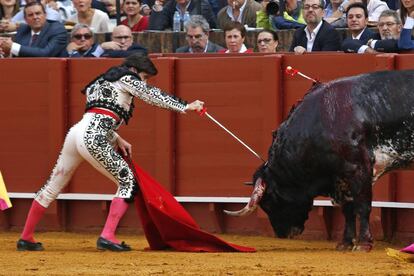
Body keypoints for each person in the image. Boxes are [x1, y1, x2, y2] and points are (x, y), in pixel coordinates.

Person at [16, 53, 205, 252]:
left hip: (76, 133)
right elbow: (150, 94)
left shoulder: (99, 81)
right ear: (134, 70)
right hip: (93, 136)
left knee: (52, 185)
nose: (145, 81)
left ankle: (26, 237)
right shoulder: (128, 77)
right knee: (128, 182)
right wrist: (185, 106)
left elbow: (99, 113)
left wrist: (116, 138)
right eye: (145, 76)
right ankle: (107, 236)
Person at [0, 1, 67, 57]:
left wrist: (12, 46)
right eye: (30, 15)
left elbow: (46, 54)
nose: (35, 17)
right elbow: (19, 55)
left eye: (38, 13)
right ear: (25, 19)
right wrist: (7, 52)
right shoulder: (23, 29)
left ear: (45, 15)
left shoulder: (57, 29)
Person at [148, 0, 217, 30]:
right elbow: (155, 29)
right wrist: (158, 8)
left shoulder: (201, 5)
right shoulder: (170, 5)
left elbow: (192, 27)